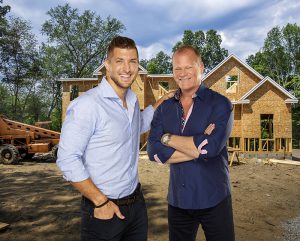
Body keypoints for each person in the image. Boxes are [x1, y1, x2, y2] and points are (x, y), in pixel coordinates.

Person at [56, 36, 173, 241]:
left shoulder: (132, 100)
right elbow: (67, 159)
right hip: (103, 209)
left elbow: (139, 125)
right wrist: (100, 202)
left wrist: (160, 102)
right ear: (107, 65)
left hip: (136, 205)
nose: (127, 68)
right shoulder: (87, 105)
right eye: (120, 61)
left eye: (133, 61)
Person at [147, 45, 235, 241]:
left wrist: (167, 139)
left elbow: (211, 149)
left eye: (188, 67)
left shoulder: (220, 104)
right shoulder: (165, 108)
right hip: (179, 201)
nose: (182, 73)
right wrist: (197, 147)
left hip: (214, 198)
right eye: (177, 68)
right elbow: (153, 150)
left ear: (201, 66)